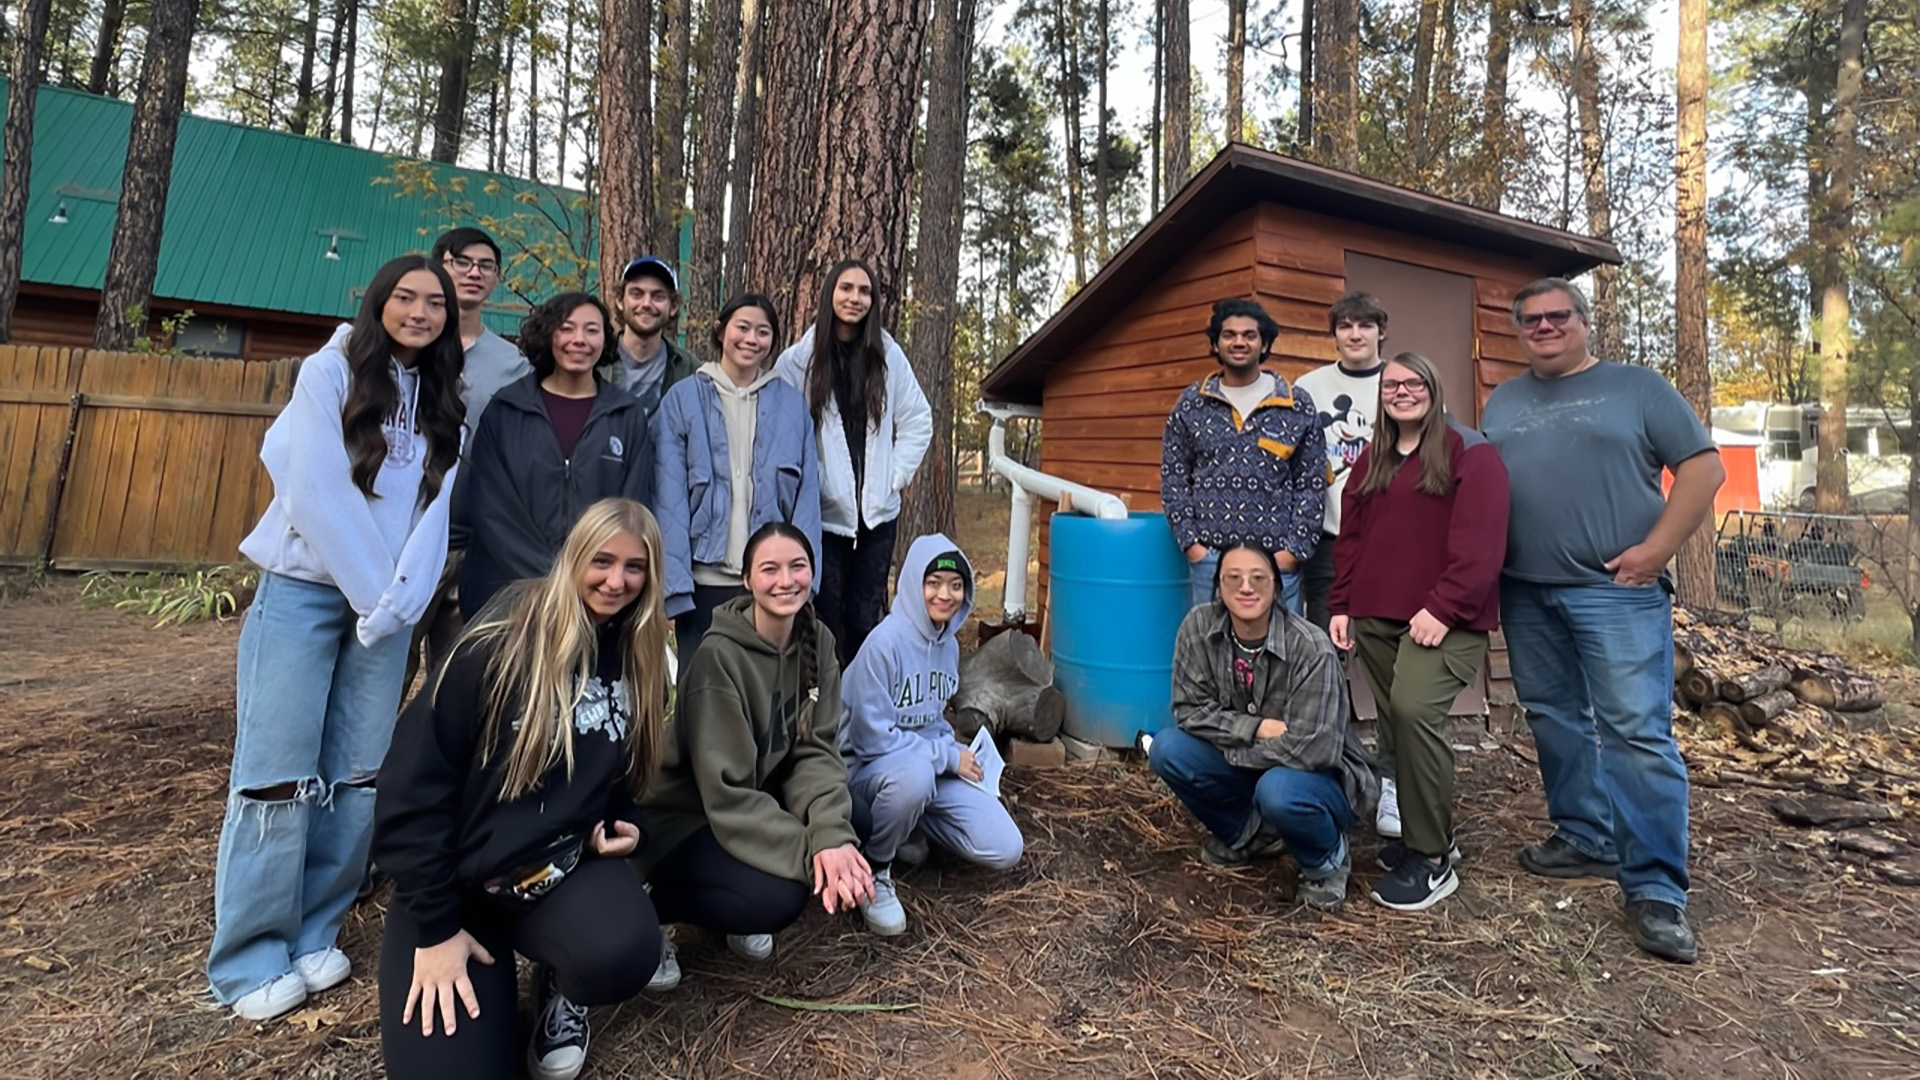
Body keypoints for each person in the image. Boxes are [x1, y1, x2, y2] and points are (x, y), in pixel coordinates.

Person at [208, 255, 467, 1021]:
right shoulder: (329, 373)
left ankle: (317, 926)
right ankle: (251, 952)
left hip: (389, 610)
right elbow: (313, 485)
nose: (419, 313)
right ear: (379, 301)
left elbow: (434, 514)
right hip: (308, 595)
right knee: (276, 772)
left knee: (356, 771)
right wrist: (374, 593)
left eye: (434, 304)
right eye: (406, 298)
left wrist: (401, 601)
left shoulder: (445, 401)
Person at [373, 499, 670, 1080]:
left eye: (635, 568)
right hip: (452, 890)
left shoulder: (637, 654)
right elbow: (411, 790)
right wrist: (435, 929)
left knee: (628, 950)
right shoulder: (499, 642)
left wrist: (616, 817)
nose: (617, 581)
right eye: (602, 561)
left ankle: (560, 979)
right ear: (573, 557)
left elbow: (610, 765)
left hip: (550, 876)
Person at [1481, 278, 1725, 964]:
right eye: (1531, 320)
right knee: (1555, 717)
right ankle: (1585, 835)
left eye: (1559, 316)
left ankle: (1654, 888)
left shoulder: (1638, 388)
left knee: (1636, 735)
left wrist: (1656, 551)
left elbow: (1703, 471)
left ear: (1585, 324)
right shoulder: (1505, 399)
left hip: (1614, 591)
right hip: (1526, 591)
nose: (1545, 327)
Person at [636, 522, 873, 988]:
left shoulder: (817, 640)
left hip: (756, 790)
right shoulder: (718, 659)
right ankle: (647, 905)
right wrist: (815, 851)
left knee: (854, 820)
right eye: (770, 569)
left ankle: (729, 900)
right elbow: (727, 794)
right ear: (747, 581)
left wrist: (831, 836)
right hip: (686, 817)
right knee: (777, 897)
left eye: (797, 567)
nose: (785, 580)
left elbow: (816, 750)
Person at [1327, 353, 1510, 912]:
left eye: (1413, 382)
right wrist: (1341, 603)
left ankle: (1432, 860)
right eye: (1391, 385)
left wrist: (1444, 608)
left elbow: (1482, 547)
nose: (1401, 392)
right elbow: (1351, 538)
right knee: (1394, 725)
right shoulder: (1373, 459)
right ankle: (1423, 838)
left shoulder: (1470, 453)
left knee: (1412, 711)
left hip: (1442, 621)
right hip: (1378, 618)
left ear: (1434, 387)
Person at [1148, 542, 1378, 910]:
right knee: (1169, 749)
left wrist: (1234, 752)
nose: (1246, 588)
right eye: (1233, 578)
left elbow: (1314, 749)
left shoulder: (1311, 648)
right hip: (1259, 759)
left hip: (1320, 778)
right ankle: (1252, 836)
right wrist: (1255, 727)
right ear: (1219, 586)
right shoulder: (1197, 628)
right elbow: (1188, 711)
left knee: (1278, 790)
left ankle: (1327, 860)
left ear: (1277, 585)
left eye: (1258, 578)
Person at [840, 536, 1024, 936]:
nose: (945, 594)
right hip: (866, 772)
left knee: (1005, 847)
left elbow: (932, 718)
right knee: (915, 777)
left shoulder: (949, 645)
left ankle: (908, 824)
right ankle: (876, 868)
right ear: (911, 584)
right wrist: (945, 757)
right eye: (933, 582)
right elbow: (872, 740)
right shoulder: (882, 645)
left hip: (921, 765)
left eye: (955, 585)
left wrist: (955, 752)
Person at [774, 259, 933, 665]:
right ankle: (821, 707)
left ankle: (862, 707)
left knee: (865, 619)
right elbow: (777, 429)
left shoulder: (887, 355)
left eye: (864, 291)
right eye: (846, 288)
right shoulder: (798, 361)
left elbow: (918, 420)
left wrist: (893, 479)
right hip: (822, 516)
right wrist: (806, 487)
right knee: (821, 616)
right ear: (830, 293)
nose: (855, 298)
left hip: (876, 516)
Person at [459, 292, 653, 618]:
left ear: (605, 339)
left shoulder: (626, 415)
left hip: (593, 597)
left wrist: (589, 574)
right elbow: (490, 505)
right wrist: (554, 577)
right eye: (567, 328)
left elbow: (632, 508)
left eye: (591, 330)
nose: (579, 340)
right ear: (548, 334)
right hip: (505, 591)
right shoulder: (507, 409)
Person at [655, 293, 822, 662]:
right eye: (742, 328)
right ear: (720, 331)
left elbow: (807, 499)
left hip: (770, 584)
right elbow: (669, 500)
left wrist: (801, 583)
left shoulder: (792, 406)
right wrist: (675, 587)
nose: (751, 339)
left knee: (766, 693)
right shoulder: (682, 400)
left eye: (763, 332)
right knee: (703, 693)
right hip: (703, 583)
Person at [1294, 291, 1399, 842]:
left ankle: (1393, 781)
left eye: (1366, 325)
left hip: (1389, 542)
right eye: (1345, 326)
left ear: (1382, 331)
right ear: (1333, 333)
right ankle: (1334, 766)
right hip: (1327, 542)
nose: (1355, 335)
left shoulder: (1404, 382)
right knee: (1323, 658)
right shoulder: (1310, 389)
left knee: (1390, 663)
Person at [406, 227, 530, 690]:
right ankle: (369, 765)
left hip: (471, 542)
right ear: (440, 264)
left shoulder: (512, 365)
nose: (474, 273)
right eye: (463, 262)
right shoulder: (410, 344)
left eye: (486, 266)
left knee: (461, 681)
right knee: (382, 672)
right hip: (404, 539)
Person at [1161, 299, 1328, 616]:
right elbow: (1174, 478)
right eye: (1229, 335)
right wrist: (1193, 547)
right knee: (1211, 650)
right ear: (1216, 342)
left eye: (1250, 335)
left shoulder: (1296, 405)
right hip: (1210, 562)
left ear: (1264, 343)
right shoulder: (1191, 405)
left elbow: (1312, 483)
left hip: (1276, 564)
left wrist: (1292, 552)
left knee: (1279, 655)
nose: (1239, 342)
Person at [602, 255, 699, 420]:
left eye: (658, 296)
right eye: (636, 294)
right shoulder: (597, 362)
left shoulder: (690, 370)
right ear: (620, 300)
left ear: (673, 306)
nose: (646, 304)